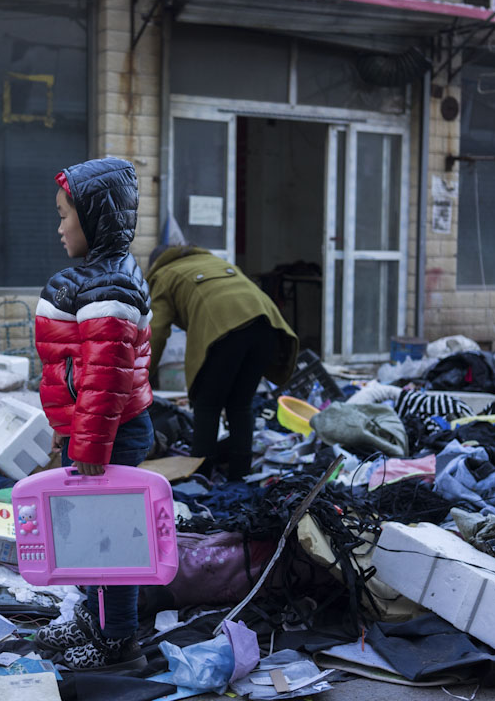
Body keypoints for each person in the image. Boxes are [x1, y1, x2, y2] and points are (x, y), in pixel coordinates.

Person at [32, 157, 154, 671]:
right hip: (95, 431)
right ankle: (93, 614)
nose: (59, 228)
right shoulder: (97, 277)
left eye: (66, 216)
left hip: (110, 433)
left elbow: (106, 378)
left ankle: (118, 642)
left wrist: (88, 447)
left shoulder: (109, 289)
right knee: (88, 535)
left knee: (111, 546)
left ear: (96, 218)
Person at [147, 245, 299, 480]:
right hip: (268, 326)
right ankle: (240, 476)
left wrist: (142, 377)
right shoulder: (215, 263)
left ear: (155, 264)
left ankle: (201, 477)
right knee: (240, 404)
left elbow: (156, 331)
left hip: (225, 332)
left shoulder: (163, 275)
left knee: (207, 405)